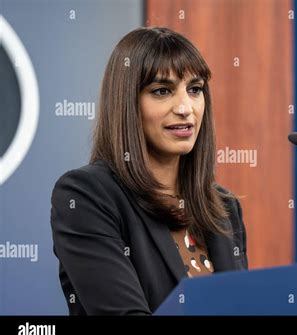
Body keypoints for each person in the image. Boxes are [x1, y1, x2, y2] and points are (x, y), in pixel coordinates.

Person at [50, 27, 248, 315]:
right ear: (127, 103)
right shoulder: (85, 196)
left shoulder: (224, 206)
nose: (185, 108)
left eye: (195, 89)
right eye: (162, 91)